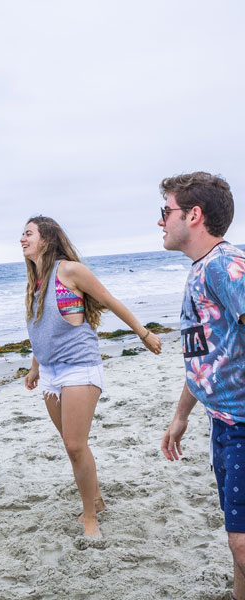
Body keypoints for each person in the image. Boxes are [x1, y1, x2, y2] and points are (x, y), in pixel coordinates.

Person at [20, 217, 161, 537]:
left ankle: (90, 518)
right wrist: (35, 368)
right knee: (74, 445)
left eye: (28, 233)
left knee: (74, 444)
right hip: (51, 373)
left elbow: (109, 300)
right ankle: (95, 498)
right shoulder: (36, 281)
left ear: (46, 239)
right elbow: (42, 329)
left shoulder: (68, 270)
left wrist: (144, 334)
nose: (22, 239)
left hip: (79, 367)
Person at [158, 172, 245, 599]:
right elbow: (205, 359)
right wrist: (181, 416)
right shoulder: (201, 269)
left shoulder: (227, 266)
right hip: (225, 423)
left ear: (194, 215)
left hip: (244, 424)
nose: (160, 221)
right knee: (239, 540)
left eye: (165, 211)